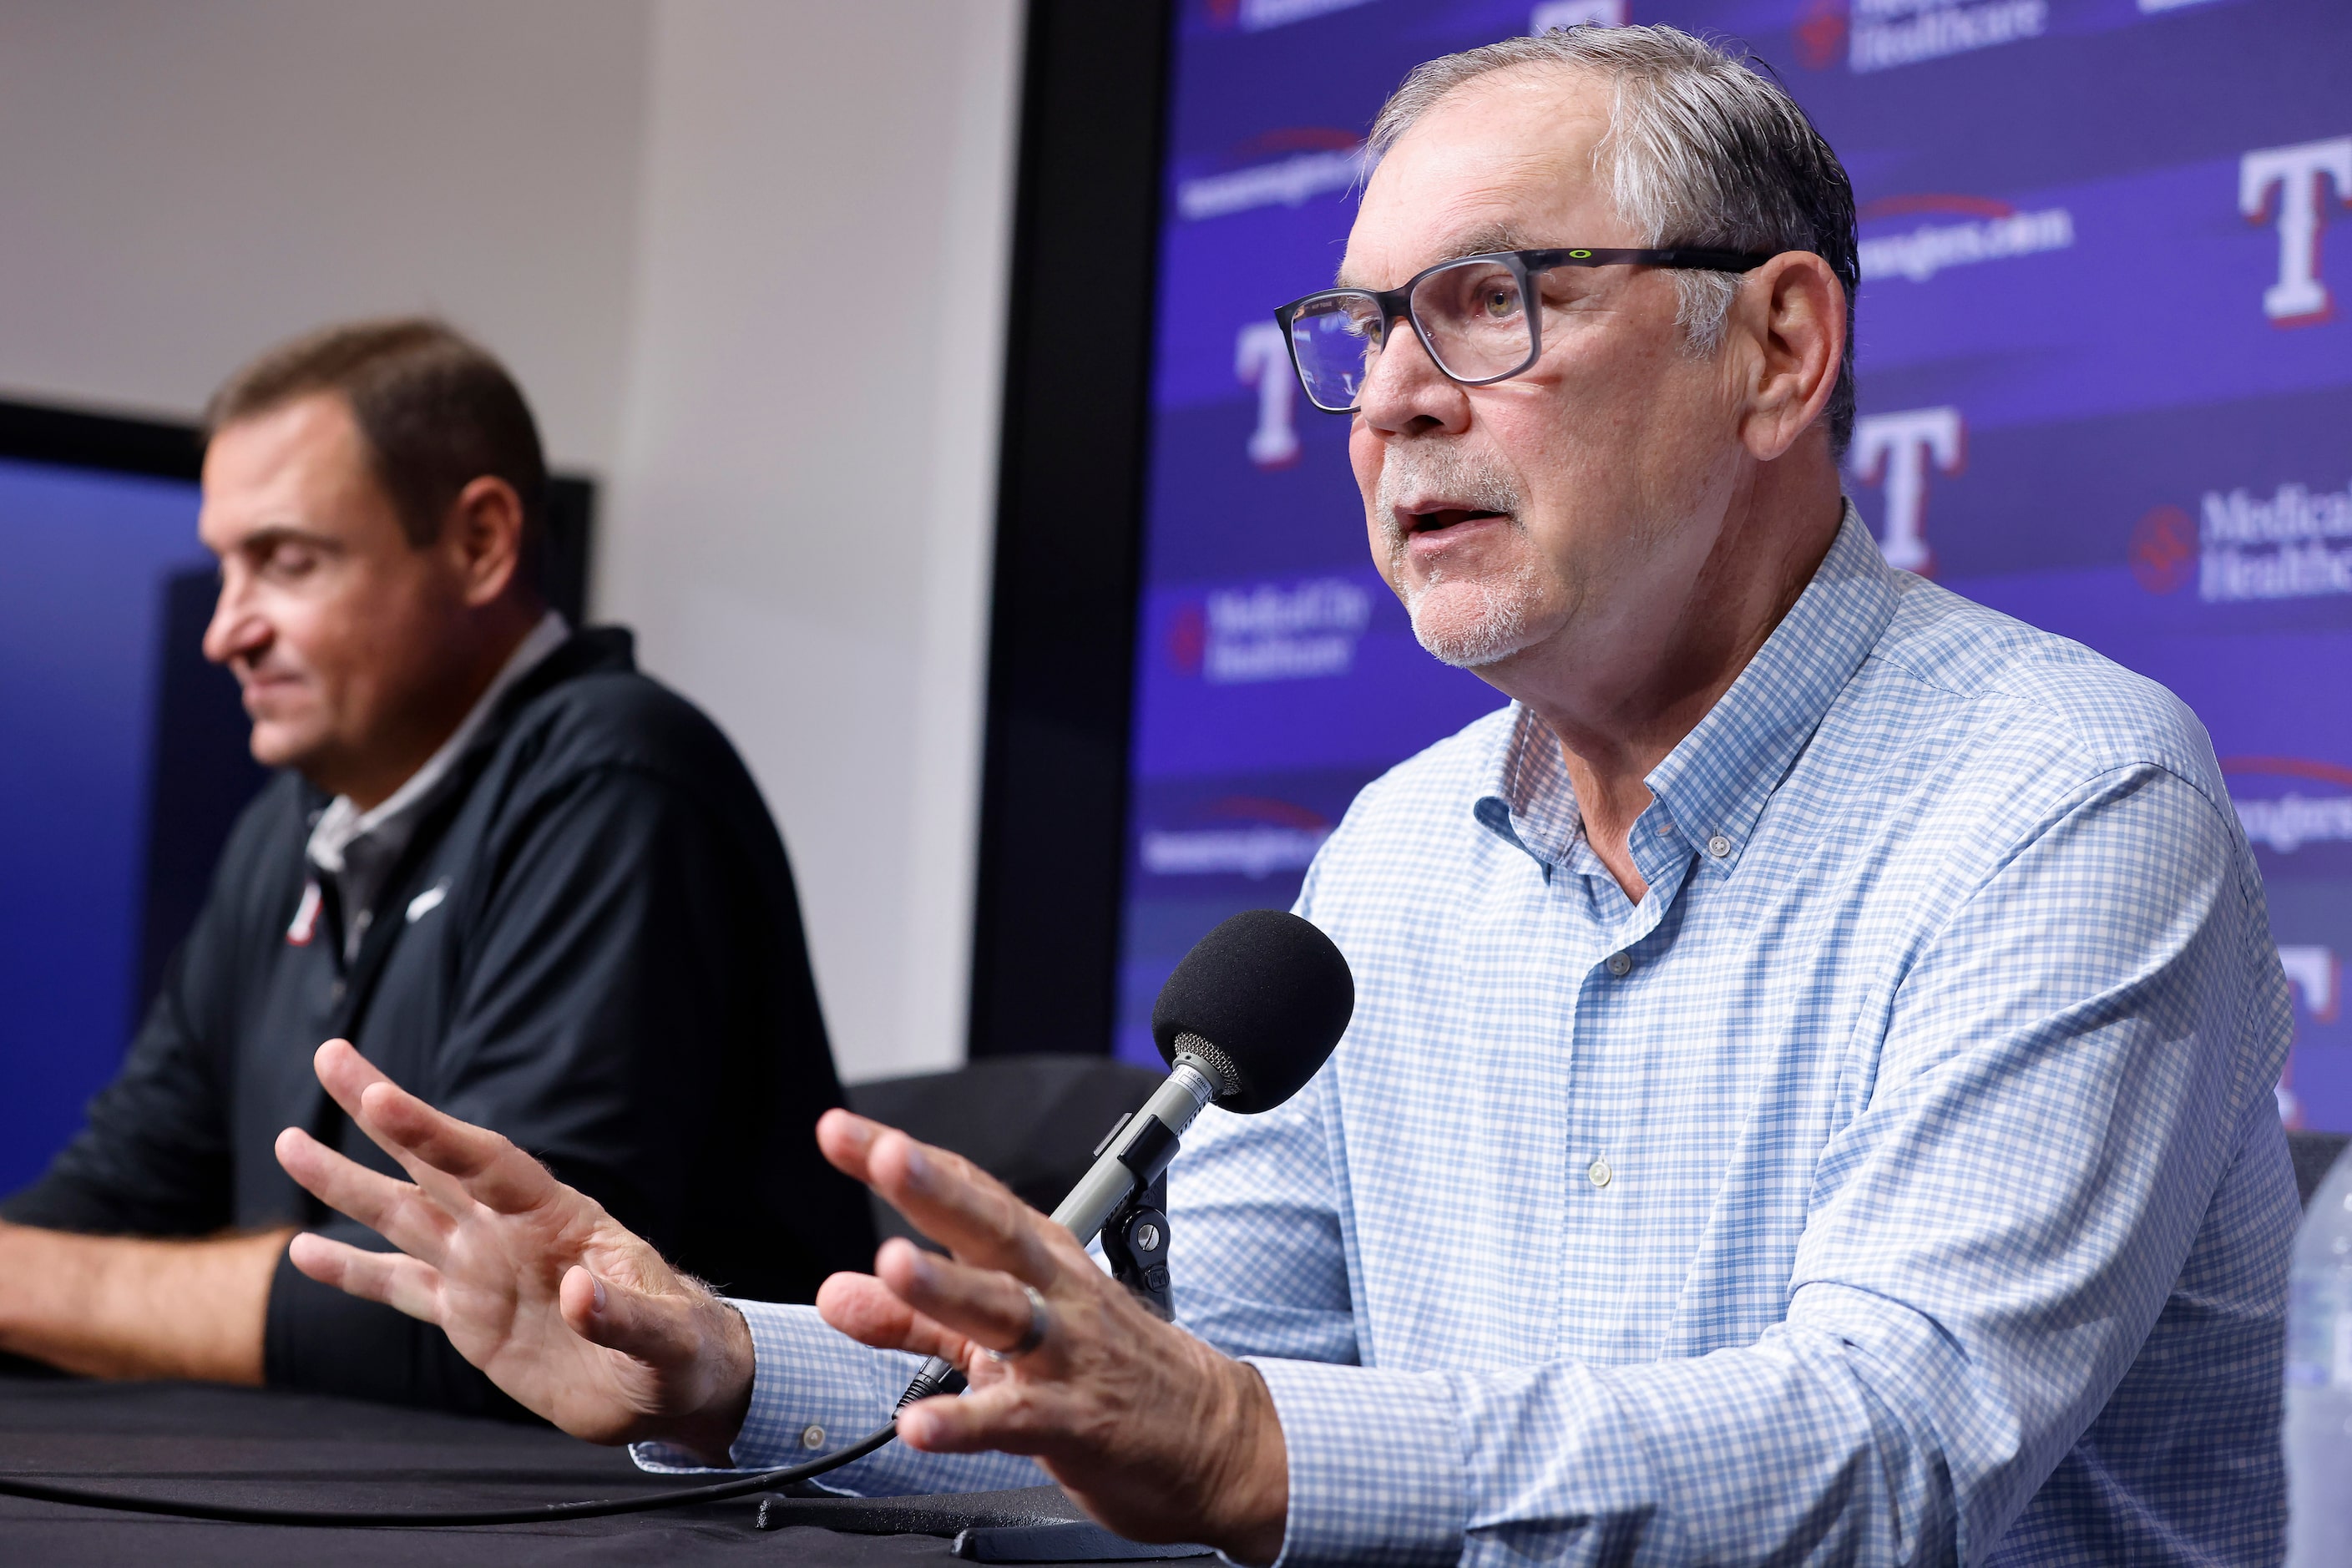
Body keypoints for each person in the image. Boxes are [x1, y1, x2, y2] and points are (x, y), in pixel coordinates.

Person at [272, 27, 2294, 1565]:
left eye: (1492, 301)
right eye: (1358, 326)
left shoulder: (2061, 797)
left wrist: (1245, 1441)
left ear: (1775, 350)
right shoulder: (1396, 857)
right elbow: (1150, 1405)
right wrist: (712, 1361)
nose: (1391, 394)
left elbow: (1901, 1445)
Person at [0, 319, 873, 1414]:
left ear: (479, 543)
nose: (226, 629)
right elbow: (116, 1193)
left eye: (285, 560)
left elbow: (483, 1314)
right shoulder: (286, 828)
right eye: (224, 566)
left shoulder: (620, 783)